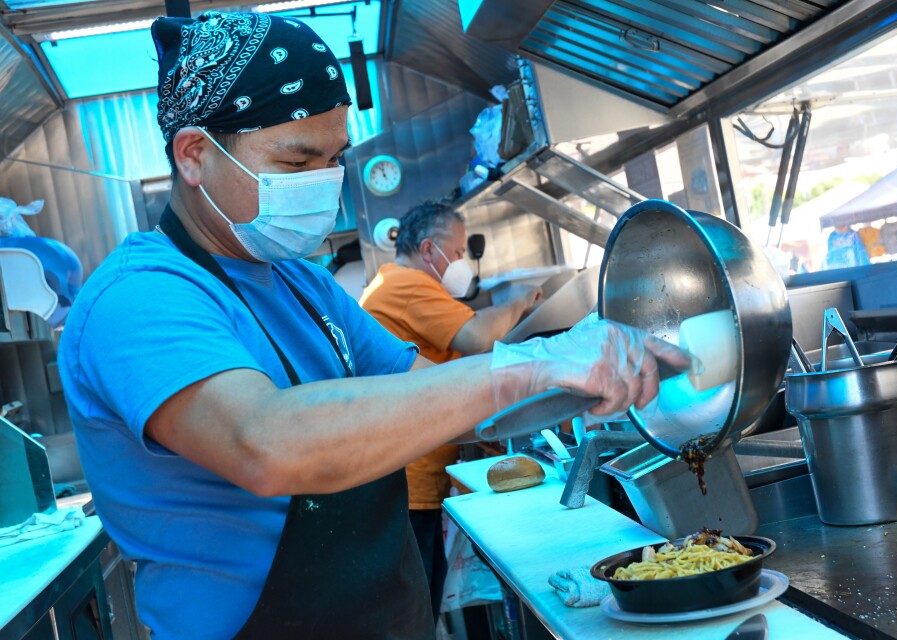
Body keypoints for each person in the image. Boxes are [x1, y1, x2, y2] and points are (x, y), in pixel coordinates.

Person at [57, 11, 694, 640]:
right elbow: (266, 444)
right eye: (297, 163)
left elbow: (452, 405)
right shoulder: (138, 300)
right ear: (194, 154)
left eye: (334, 159)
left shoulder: (302, 284)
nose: (325, 187)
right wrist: (530, 364)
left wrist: (590, 376)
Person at [359, 201, 541, 621]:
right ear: (428, 249)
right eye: (458, 252)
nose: (461, 262)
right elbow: (477, 337)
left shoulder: (395, 286)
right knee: (416, 610)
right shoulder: (404, 284)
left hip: (411, 473)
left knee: (421, 604)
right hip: (410, 479)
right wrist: (518, 301)